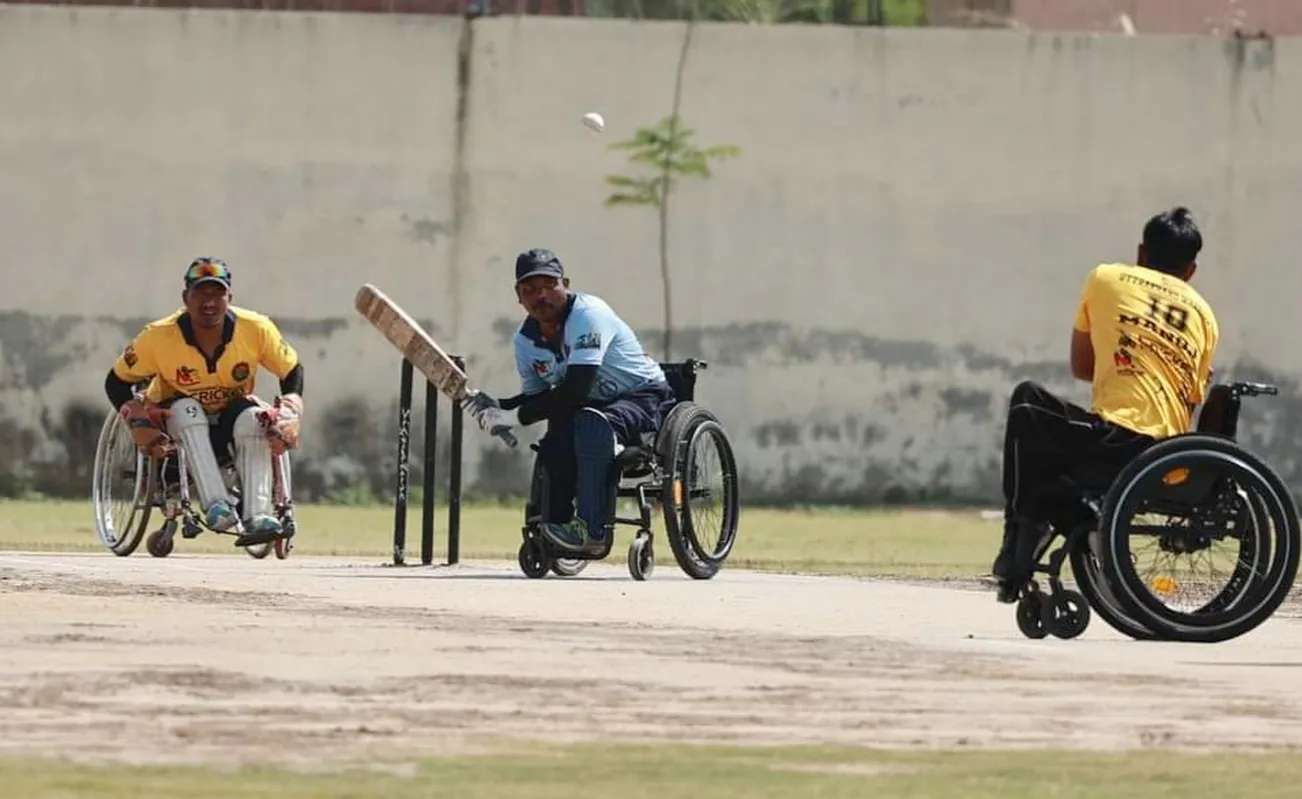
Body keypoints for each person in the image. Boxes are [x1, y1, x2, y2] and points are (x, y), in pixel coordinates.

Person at [990, 206, 1220, 603]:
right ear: (1191, 271)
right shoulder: (1204, 315)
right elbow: (1191, 395)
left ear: (1141, 253)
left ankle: (1020, 537)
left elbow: (1082, 367)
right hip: (1169, 454)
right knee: (1055, 446)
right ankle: (1052, 521)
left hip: (1119, 439)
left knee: (1029, 404)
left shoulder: (1106, 278)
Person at [461, 248, 676, 556]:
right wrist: (500, 407)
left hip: (640, 395)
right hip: (588, 405)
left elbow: (575, 388)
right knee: (556, 441)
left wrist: (513, 417)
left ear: (566, 284)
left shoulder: (588, 315)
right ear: (518, 296)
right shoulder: (524, 341)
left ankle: (591, 532)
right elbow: (538, 398)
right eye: (530, 289)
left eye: (550, 285)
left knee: (591, 424)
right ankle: (556, 526)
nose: (541, 296)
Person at [104, 258, 305, 548]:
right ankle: (216, 506)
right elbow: (116, 381)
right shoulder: (157, 337)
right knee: (188, 410)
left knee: (254, 418)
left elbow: (292, 370)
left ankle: (258, 516)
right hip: (175, 419)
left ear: (229, 298)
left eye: (217, 293)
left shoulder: (256, 328)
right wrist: (135, 418)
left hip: (230, 416)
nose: (209, 301)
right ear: (186, 298)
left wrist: (291, 411)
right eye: (200, 293)